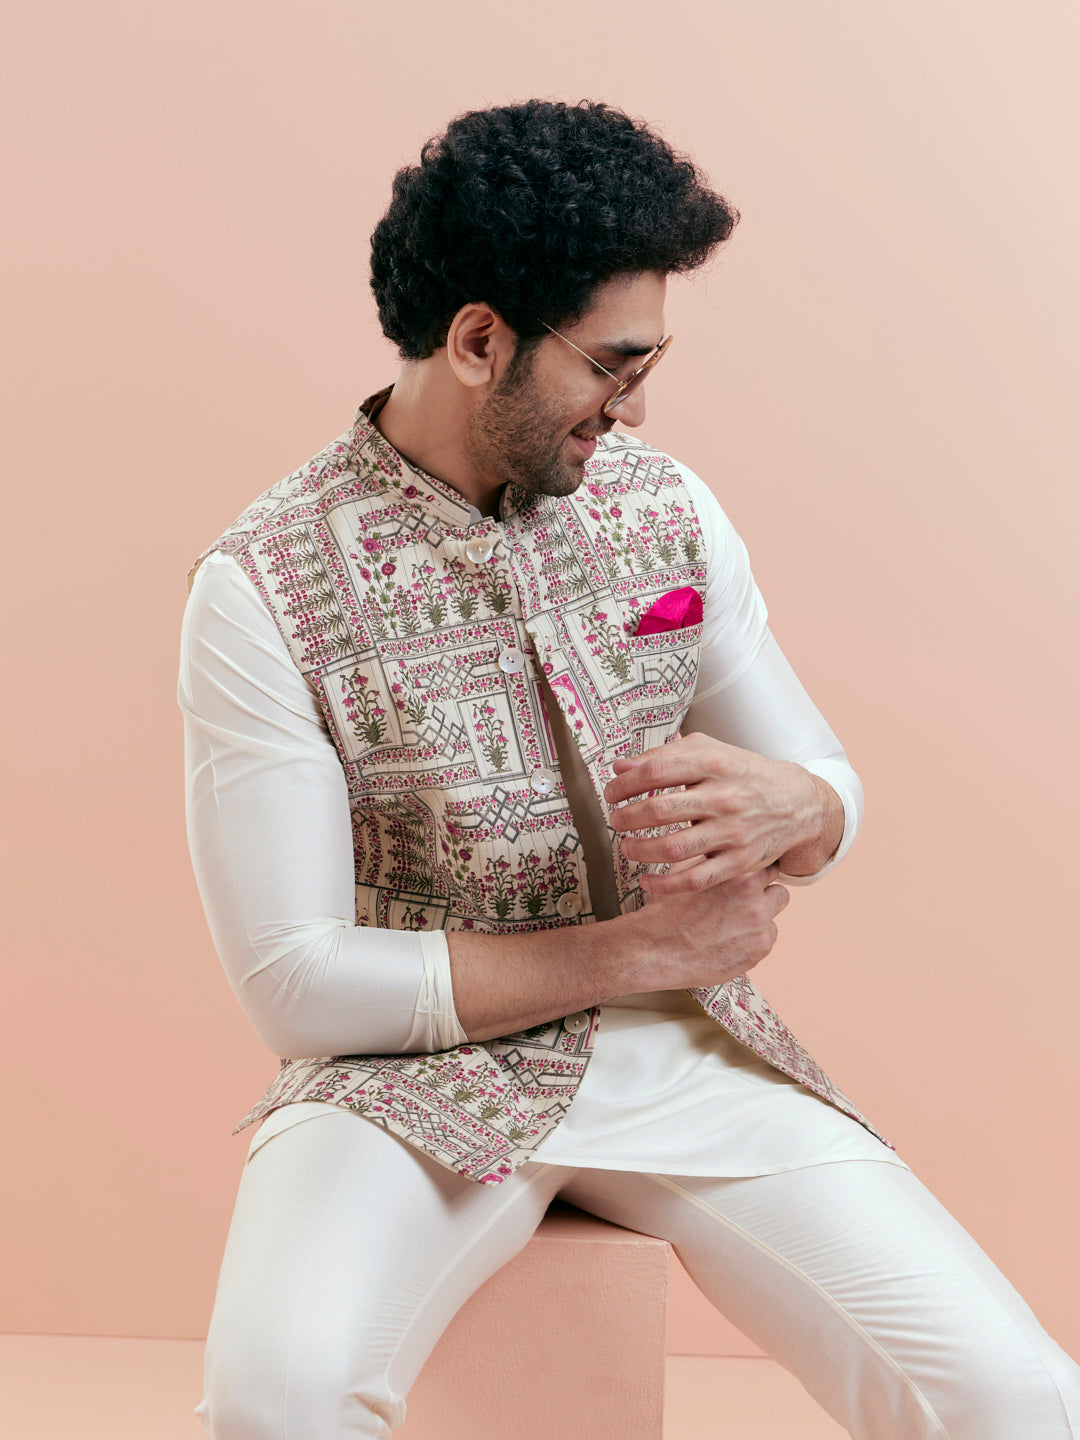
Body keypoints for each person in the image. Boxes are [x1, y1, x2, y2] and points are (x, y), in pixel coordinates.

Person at [178, 100, 1080, 1439]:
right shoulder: (262, 586)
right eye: (611, 363)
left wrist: (804, 805)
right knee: (277, 1394)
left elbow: (820, 777)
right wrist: (642, 950)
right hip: (402, 1081)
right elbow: (297, 985)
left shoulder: (666, 506)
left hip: (681, 1055)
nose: (637, 404)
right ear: (479, 341)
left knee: (1023, 1401)